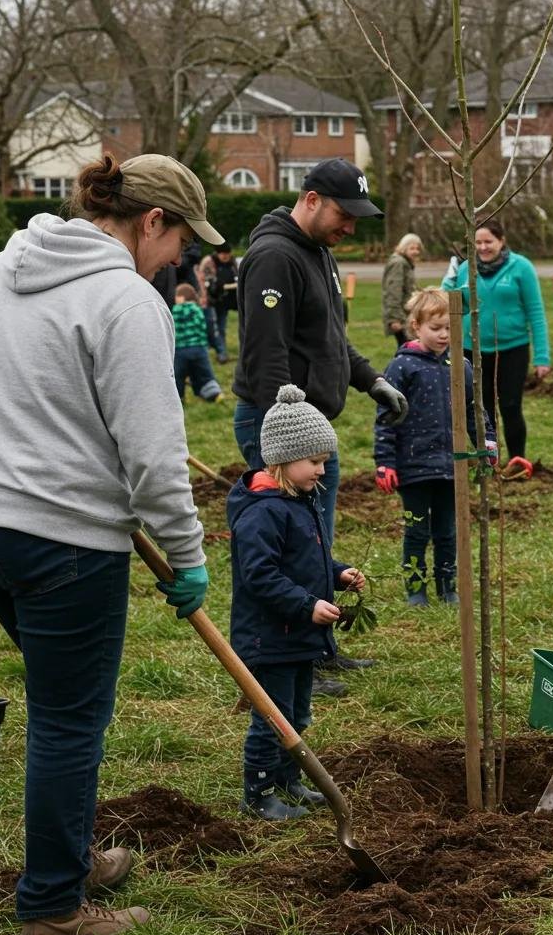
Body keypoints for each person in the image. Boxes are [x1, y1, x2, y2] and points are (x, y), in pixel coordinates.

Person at [0, 152, 221, 935]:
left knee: (62, 707)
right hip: (65, 544)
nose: (182, 257)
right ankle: (54, 910)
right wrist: (188, 552)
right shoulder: (125, 300)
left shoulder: (0, 271)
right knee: (70, 721)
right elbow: (151, 455)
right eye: (180, 238)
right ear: (150, 221)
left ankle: (69, 855)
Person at [231, 157, 407, 694]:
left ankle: (319, 650)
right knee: (285, 551)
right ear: (310, 199)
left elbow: (327, 338)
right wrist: (287, 435)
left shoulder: (318, 253)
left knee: (313, 544)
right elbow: (268, 354)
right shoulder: (273, 258)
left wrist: (369, 379)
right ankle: (286, 663)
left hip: (310, 435)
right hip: (280, 430)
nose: (350, 227)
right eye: (343, 214)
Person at [228, 385, 366, 821]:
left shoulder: (298, 500)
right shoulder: (262, 513)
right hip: (268, 637)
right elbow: (260, 576)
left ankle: (288, 781)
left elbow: (307, 559)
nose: (322, 470)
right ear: (282, 459)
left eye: (325, 460)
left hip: (298, 635)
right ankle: (259, 794)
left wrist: (337, 573)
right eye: (315, 461)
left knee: (298, 715)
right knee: (273, 719)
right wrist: (307, 604)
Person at [373, 289, 496, 606]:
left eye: (450, 328)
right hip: (413, 467)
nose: (444, 335)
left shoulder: (461, 365)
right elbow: (386, 417)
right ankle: (416, 588)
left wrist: (486, 442)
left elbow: (473, 410)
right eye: (436, 328)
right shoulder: (402, 367)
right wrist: (385, 462)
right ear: (416, 326)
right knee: (416, 531)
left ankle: (448, 586)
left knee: (447, 531)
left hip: (451, 465)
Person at [441, 217, 550, 463]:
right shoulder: (465, 268)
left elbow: (536, 312)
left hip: (512, 349)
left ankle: (517, 460)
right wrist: (450, 277)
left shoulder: (521, 267)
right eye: (477, 242)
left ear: (501, 241)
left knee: (511, 406)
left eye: (488, 241)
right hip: (473, 350)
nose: (483, 248)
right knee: (481, 411)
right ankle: (488, 462)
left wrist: (542, 356)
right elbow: (446, 301)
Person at [172, 282, 223, 403]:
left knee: (178, 376)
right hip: (199, 348)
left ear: (182, 297)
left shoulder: (174, 310)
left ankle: (178, 398)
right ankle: (213, 393)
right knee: (205, 373)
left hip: (180, 351)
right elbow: (204, 326)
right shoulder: (198, 309)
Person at [382, 233, 422, 346]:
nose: (416, 251)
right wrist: (395, 319)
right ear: (404, 247)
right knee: (407, 348)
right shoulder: (398, 263)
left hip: (406, 314)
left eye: (418, 248)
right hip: (401, 316)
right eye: (412, 248)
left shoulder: (406, 262)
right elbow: (393, 291)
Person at [201, 242, 238, 362]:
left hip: (224, 300)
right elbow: (205, 281)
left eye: (228, 254)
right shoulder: (208, 262)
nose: (226, 256)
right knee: (211, 327)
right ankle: (214, 351)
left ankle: (221, 353)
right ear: (218, 253)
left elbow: (238, 275)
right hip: (209, 300)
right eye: (223, 254)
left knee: (221, 327)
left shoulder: (232, 261)